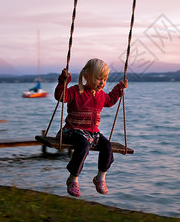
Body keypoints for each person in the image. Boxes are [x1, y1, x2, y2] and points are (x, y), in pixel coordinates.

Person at [54, 58, 128, 197]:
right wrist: (63, 82)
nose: (102, 82)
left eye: (104, 79)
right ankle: (73, 179)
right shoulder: (76, 91)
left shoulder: (100, 95)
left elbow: (110, 100)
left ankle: (100, 178)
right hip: (72, 130)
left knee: (107, 146)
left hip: (92, 133)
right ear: (87, 77)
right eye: (98, 78)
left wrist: (118, 89)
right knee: (83, 145)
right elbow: (61, 96)